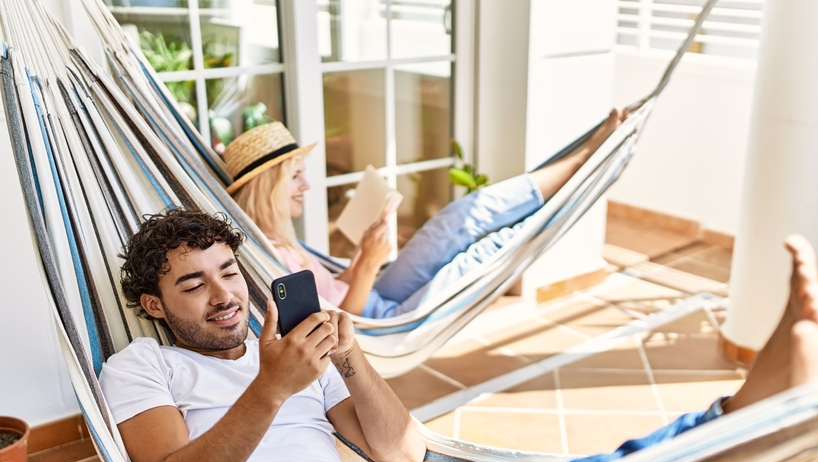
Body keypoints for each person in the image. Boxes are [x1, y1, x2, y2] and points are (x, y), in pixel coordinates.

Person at [98, 208, 818, 462]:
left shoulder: (285, 354)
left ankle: (738, 418)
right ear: (153, 305)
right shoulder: (141, 367)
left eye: (229, 272)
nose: (225, 293)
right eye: (194, 285)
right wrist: (268, 391)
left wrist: (347, 358)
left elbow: (403, 452)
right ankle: (738, 417)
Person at [223, 111, 628, 318]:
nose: (307, 186)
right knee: (489, 251)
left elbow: (333, 291)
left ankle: (580, 159)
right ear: (268, 187)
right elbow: (337, 325)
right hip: (381, 323)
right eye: (295, 177)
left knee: (459, 217)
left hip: (375, 294)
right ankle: (579, 170)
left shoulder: (279, 241)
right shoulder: (267, 262)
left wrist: (365, 256)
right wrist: (368, 264)